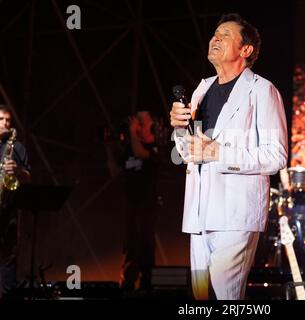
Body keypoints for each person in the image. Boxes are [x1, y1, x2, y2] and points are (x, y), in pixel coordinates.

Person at [170, 13, 287, 300]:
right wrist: (178, 129)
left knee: (226, 295)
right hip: (198, 214)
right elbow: (189, 152)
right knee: (200, 297)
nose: (215, 39)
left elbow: (276, 156)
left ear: (245, 50)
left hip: (235, 214)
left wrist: (219, 153)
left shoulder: (262, 90)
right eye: (214, 34)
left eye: (225, 35)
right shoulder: (201, 89)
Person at [104, 110, 163, 296]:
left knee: (145, 244)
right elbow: (115, 172)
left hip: (147, 206)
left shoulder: (155, 146)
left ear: (150, 126)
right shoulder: (129, 149)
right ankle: (127, 285)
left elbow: (140, 152)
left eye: (140, 121)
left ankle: (146, 285)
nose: (136, 124)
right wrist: (108, 147)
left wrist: (131, 132)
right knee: (130, 246)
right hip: (131, 205)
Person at [0, 104, 31, 299]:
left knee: (7, 266)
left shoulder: (17, 147)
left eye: (8, 120)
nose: (5, 123)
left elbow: (28, 177)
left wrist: (18, 171)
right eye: (1, 120)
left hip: (7, 214)